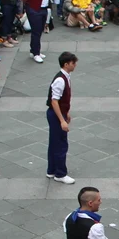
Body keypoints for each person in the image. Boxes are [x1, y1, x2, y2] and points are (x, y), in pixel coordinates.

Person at [48, 52, 79, 185]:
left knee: (54, 143)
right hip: (56, 115)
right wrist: (62, 120)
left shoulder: (64, 77)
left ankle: (51, 170)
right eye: (73, 63)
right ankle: (60, 173)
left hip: (58, 113)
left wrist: (66, 113)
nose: (75, 65)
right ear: (66, 64)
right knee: (61, 144)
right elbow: (54, 101)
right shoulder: (61, 80)